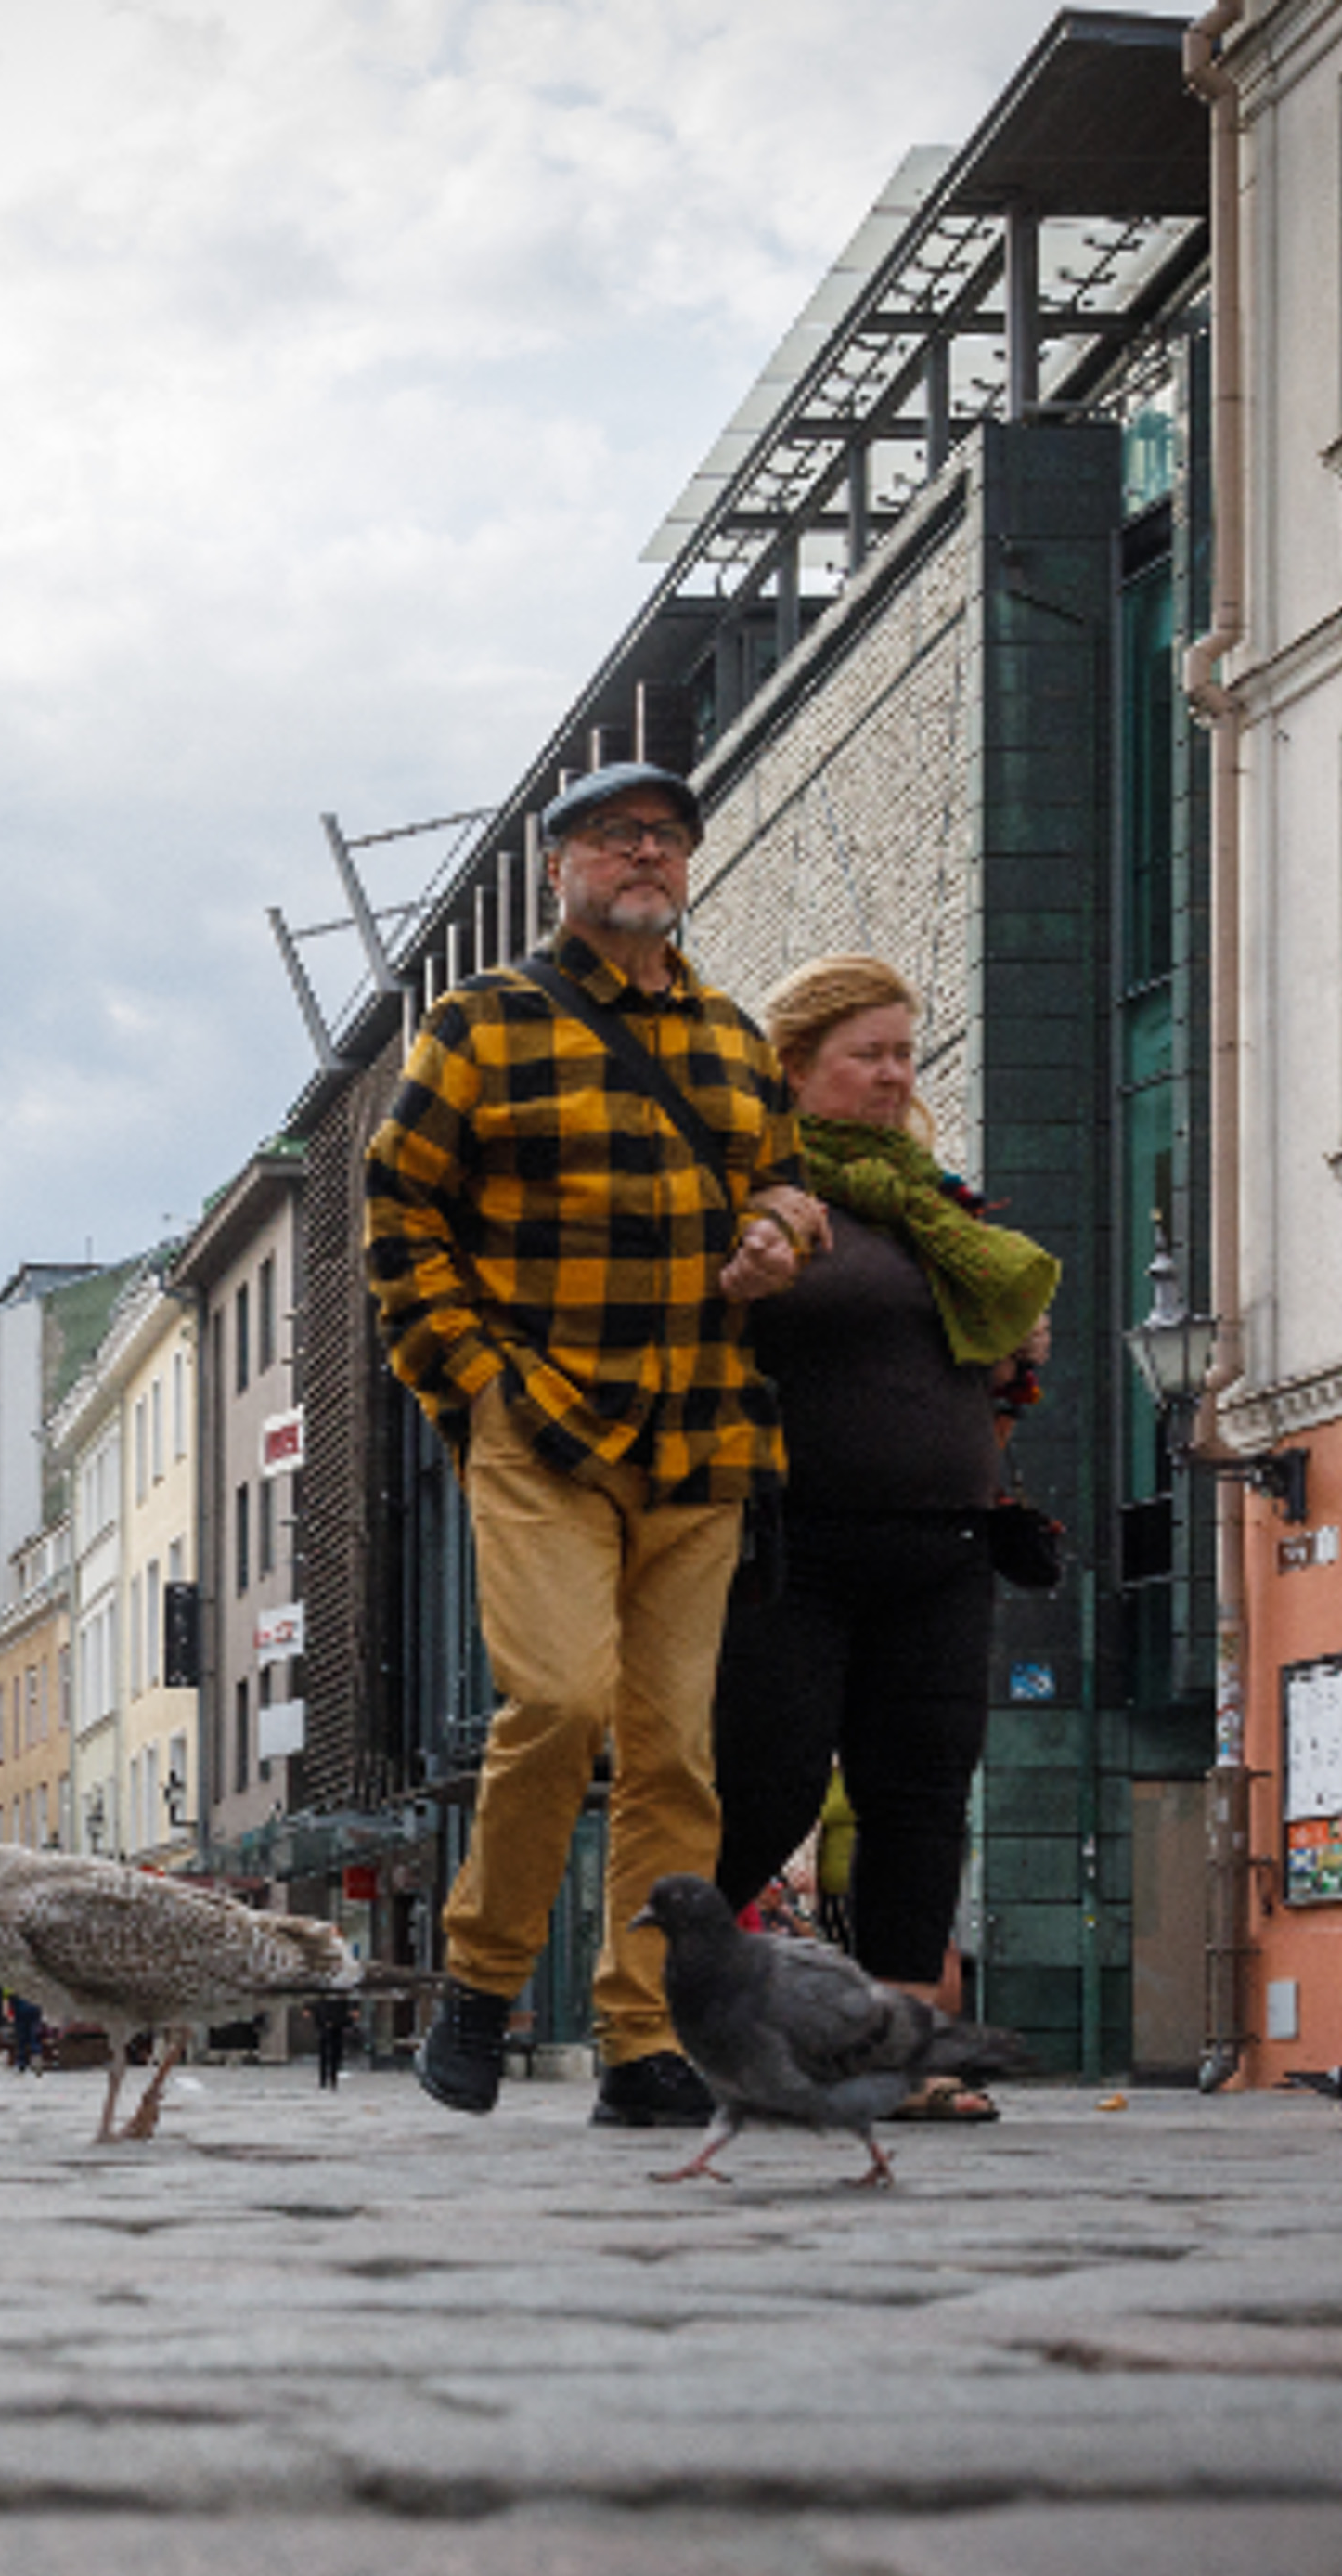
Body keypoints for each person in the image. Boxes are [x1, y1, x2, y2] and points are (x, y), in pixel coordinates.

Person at [365, 761, 823, 2129]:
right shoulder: (483, 1023)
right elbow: (398, 1215)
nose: (649, 856)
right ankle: (483, 1982)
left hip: (702, 1433)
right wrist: (474, 1382)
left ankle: (644, 2039)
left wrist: (779, 1237)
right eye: (619, 836)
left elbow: (787, 1186)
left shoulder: (737, 1040)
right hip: (545, 1425)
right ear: (558, 866)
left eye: (670, 840)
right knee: (559, 1707)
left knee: (676, 1754)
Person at [710, 953, 1058, 2121]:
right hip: (792, 1543)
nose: (895, 1073)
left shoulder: (934, 1203)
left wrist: (1012, 1362)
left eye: (905, 1051)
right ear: (795, 1068)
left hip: (945, 1544)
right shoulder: (760, 1192)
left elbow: (962, 1364)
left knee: (920, 1799)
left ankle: (910, 2060)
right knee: (768, 1786)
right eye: (869, 1053)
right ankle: (664, 2024)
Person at [310, 1991, 355, 2092]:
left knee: (334, 2053)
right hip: (327, 2024)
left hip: (336, 2024)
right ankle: (325, 2078)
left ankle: (330, 2078)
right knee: (326, 2053)